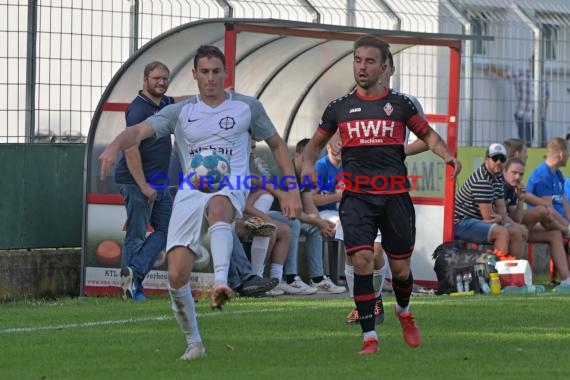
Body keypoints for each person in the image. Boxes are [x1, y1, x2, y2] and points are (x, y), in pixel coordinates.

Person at [99, 45, 301, 361]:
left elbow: (276, 145)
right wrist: (114, 145)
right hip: (190, 191)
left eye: (216, 71)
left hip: (230, 183)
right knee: (177, 274)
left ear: (225, 74)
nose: (210, 78)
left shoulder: (247, 107)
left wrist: (291, 190)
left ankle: (222, 283)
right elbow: (137, 131)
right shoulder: (180, 112)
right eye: (204, 72)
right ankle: (194, 343)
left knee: (220, 208)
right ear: (194, 75)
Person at [301, 35, 460, 355]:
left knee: (400, 270)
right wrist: (307, 166)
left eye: (370, 61)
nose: (362, 66)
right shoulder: (340, 107)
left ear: (386, 67)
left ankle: (404, 311)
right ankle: (369, 337)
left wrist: (447, 156)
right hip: (357, 197)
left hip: (395, 197)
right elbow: (314, 145)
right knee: (361, 259)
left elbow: (428, 135)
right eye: (358, 60)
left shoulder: (400, 105)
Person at [114, 61, 188, 301]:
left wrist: (210, 96)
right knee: (136, 236)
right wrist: (144, 186)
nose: (161, 83)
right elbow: (130, 148)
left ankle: (134, 274)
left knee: (168, 230)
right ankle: (131, 290)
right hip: (138, 183)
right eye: (157, 78)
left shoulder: (164, 102)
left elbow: (179, 100)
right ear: (145, 80)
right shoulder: (139, 109)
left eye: (165, 78)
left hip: (159, 182)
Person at [503, 157, 570, 287]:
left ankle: (566, 279)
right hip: (505, 227)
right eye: (514, 173)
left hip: (516, 224)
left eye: (521, 174)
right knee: (541, 211)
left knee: (554, 234)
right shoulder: (541, 174)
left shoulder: (515, 188)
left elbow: (517, 218)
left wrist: (521, 199)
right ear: (505, 171)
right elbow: (546, 204)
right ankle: (515, 279)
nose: (518, 177)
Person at [455, 143, 526, 259]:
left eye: (502, 159)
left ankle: (512, 273)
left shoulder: (497, 177)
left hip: (475, 220)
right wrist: (501, 218)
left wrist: (513, 223)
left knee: (517, 232)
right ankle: (496, 274)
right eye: (494, 158)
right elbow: (488, 218)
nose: (498, 162)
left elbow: (501, 211)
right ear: (486, 159)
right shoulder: (482, 180)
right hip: (461, 222)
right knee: (501, 232)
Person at [490, 56, 550, 146]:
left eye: (541, 64)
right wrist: (493, 69)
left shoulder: (544, 80)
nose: (538, 66)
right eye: (536, 63)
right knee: (526, 143)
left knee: (543, 143)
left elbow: (546, 98)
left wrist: (543, 113)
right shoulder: (522, 74)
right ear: (531, 64)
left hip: (538, 117)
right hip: (523, 115)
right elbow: (506, 75)